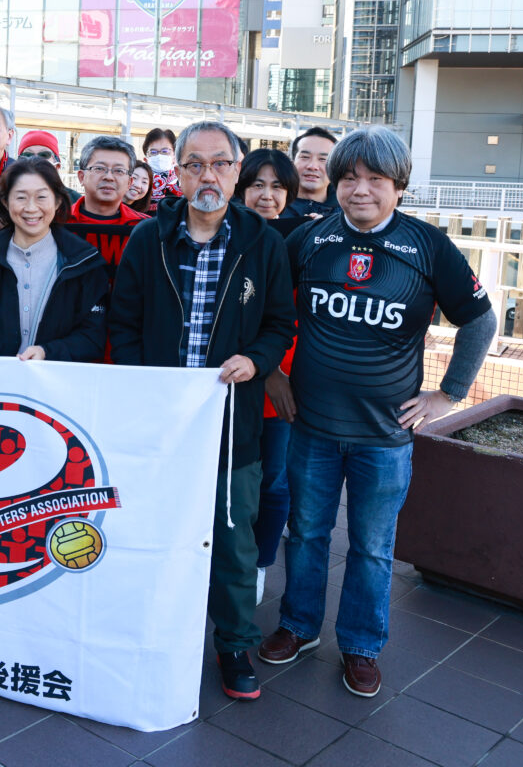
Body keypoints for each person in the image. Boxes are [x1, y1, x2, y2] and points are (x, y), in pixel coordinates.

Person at [258, 127, 495, 699]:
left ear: (399, 186)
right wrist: (272, 373)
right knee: (306, 534)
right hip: (311, 426)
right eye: (348, 177)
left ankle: (362, 646)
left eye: (374, 179)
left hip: (385, 435)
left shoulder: (428, 245)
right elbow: (269, 308)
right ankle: (298, 626)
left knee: (370, 546)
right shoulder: (309, 239)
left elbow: (480, 320)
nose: (359, 189)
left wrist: (449, 393)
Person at [108, 121, 296, 703]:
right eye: (194, 164)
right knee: (154, 530)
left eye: (219, 164)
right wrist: (149, 388)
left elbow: (280, 324)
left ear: (237, 172)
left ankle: (234, 643)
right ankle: (153, 631)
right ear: (178, 174)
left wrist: (256, 360)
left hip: (233, 420)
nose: (207, 176)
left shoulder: (263, 243)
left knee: (233, 539)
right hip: (162, 423)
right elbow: (124, 323)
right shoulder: (149, 239)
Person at [233, 148, 302, 604]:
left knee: (274, 480)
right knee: (227, 478)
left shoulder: (302, 241)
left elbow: (292, 319)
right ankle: (224, 557)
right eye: (257, 184)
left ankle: (258, 564)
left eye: (277, 187)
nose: (267, 195)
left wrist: (276, 369)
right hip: (232, 380)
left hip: (280, 386)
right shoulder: (223, 234)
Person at [0, 159, 109, 362]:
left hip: (58, 379)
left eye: (41, 197)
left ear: (57, 201)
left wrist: (47, 352)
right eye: (21, 197)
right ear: (6, 202)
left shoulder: (84, 263)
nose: (31, 208)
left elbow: (92, 338)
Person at [65, 135, 148, 277]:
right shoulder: (58, 222)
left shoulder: (144, 228)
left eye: (119, 171)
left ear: (129, 182)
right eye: (99, 168)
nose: (109, 177)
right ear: (81, 177)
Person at [290, 127, 340, 218]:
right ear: (292, 163)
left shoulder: (347, 215)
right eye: (305, 157)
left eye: (323, 159)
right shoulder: (272, 209)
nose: (313, 166)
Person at [140, 128, 181, 210]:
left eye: (165, 151)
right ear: (146, 159)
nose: (159, 156)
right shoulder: (138, 182)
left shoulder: (183, 182)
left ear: (174, 156)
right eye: (153, 152)